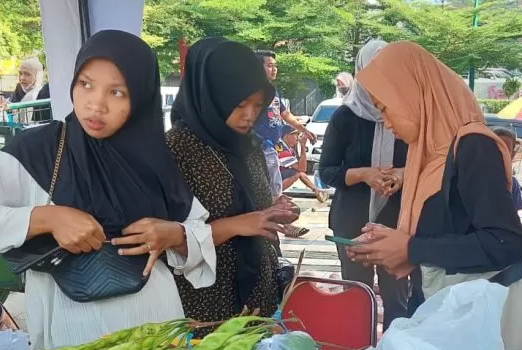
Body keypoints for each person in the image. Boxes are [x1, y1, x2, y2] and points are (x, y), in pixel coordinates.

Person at [0, 30, 214, 348]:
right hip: (68, 338)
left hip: (153, 327)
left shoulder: (155, 158)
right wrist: (47, 219)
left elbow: (198, 230)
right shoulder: (40, 150)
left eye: (117, 92)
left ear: (140, 97)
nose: (96, 104)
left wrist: (174, 235)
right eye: (86, 84)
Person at [346, 41, 522, 313]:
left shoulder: (473, 146)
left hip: (470, 319)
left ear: (411, 94)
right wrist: (392, 243)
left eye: (385, 107)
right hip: (437, 308)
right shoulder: (425, 154)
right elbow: (446, 229)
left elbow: (505, 244)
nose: (387, 122)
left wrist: (411, 248)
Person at [165, 37, 299, 324]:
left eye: (257, 104)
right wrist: (239, 225)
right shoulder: (176, 149)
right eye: (239, 104)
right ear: (212, 94)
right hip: (206, 305)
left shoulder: (248, 145)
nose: (249, 115)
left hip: (258, 296)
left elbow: (254, 204)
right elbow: (170, 239)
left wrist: (276, 209)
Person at [319, 39, 410, 329]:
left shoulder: (405, 115)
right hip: (352, 222)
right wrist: (364, 174)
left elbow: (424, 164)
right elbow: (328, 171)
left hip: (394, 221)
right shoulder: (346, 117)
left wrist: (399, 174)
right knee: (358, 295)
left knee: (397, 294)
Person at [252, 50, 317, 198]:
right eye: (269, 65)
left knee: (276, 180)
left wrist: (303, 129)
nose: (274, 69)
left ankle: (274, 204)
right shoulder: (254, 91)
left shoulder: (274, 91)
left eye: (275, 65)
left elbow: (285, 114)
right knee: (268, 182)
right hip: (260, 145)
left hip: (274, 144)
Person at [492, 127, 522, 210]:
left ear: (513, 154)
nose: (502, 154)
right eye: (497, 149)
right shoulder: (476, 179)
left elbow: (514, 215)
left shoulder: (513, 183)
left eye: (506, 150)